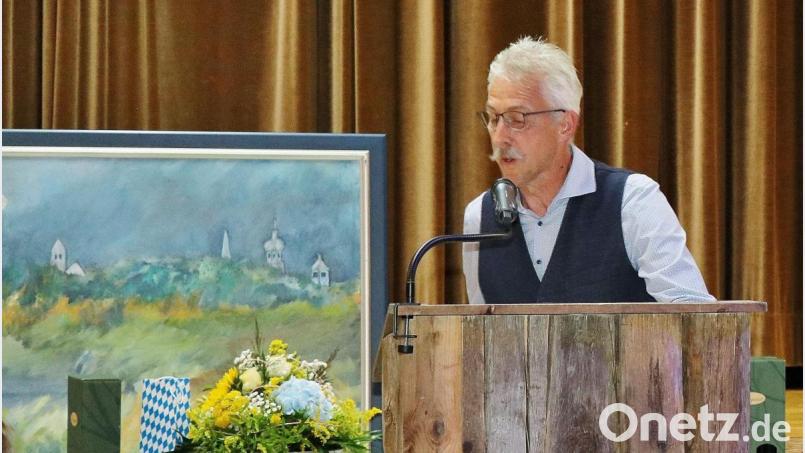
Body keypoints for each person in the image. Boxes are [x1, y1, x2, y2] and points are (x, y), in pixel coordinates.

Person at [463, 36, 715, 304]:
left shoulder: (633, 201)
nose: (500, 137)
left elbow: (693, 318)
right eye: (492, 118)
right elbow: (481, 335)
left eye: (517, 119)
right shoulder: (478, 216)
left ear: (565, 125)